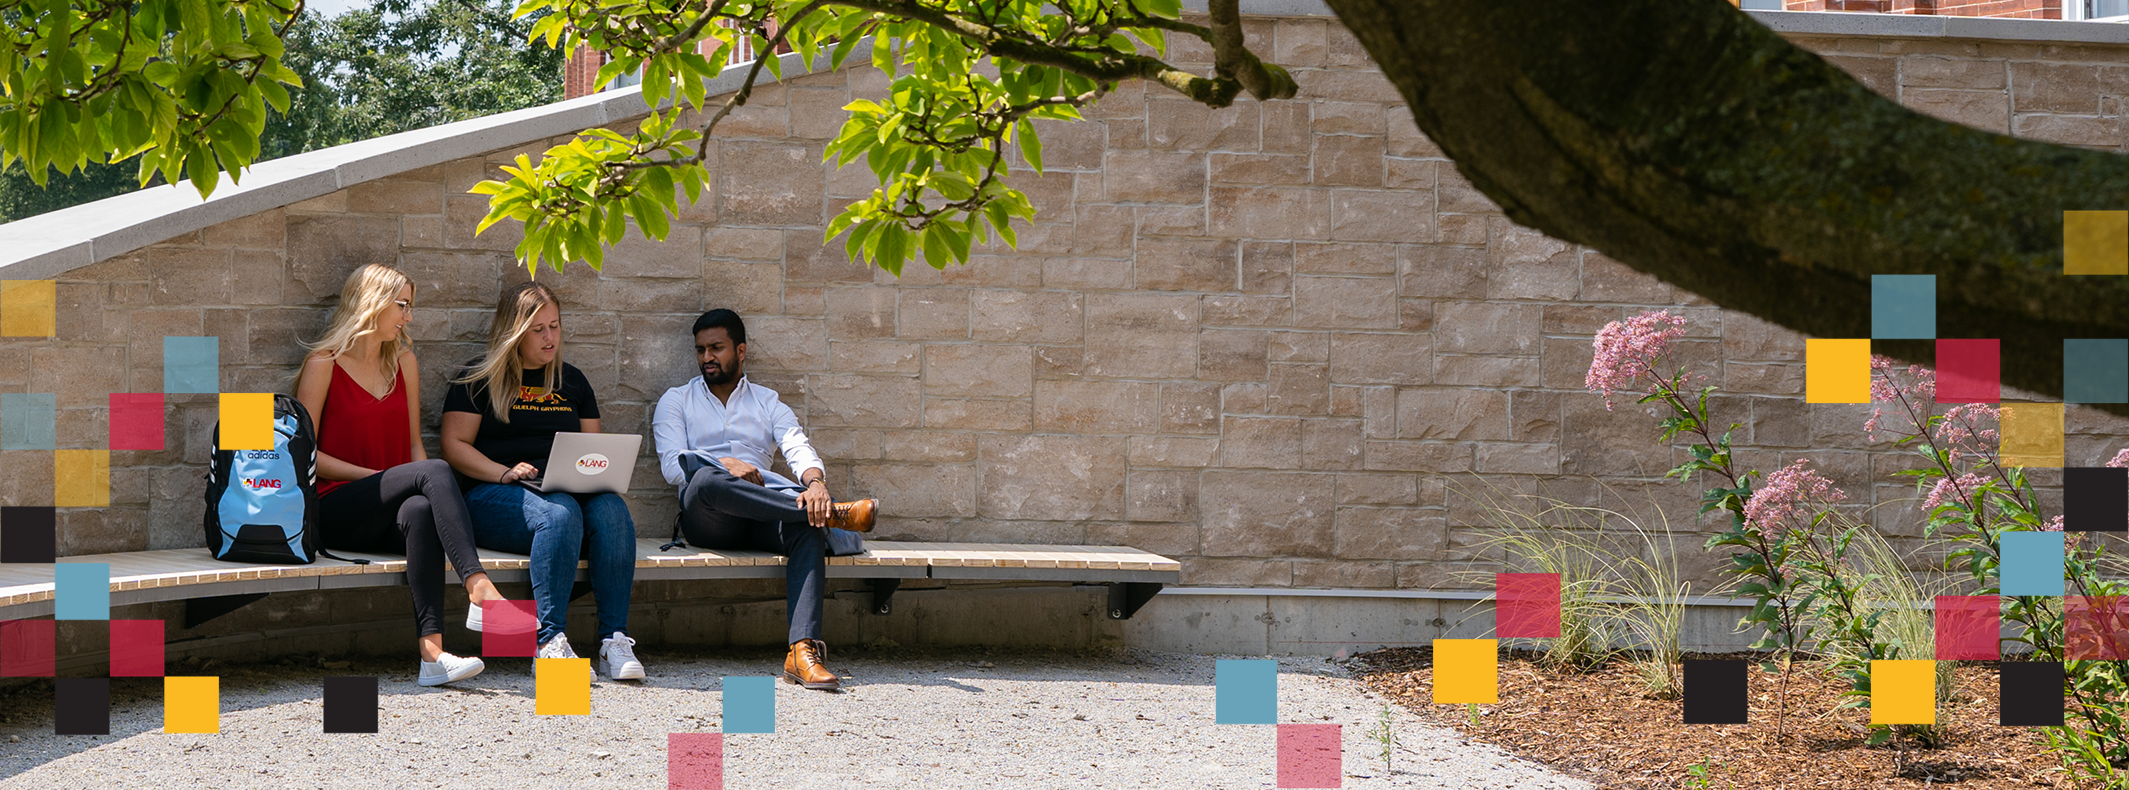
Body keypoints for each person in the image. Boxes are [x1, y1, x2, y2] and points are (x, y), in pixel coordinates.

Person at [651, 309, 877, 691]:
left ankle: (801, 652)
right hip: (710, 517)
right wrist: (726, 463)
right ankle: (833, 515)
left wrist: (816, 485)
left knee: (807, 524)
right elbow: (673, 467)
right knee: (704, 479)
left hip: (762, 512)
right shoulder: (676, 400)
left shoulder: (767, 401)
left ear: (741, 351)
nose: (707, 357)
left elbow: (796, 445)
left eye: (716, 348)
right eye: (701, 350)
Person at [297, 263, 500, 687]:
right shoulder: (323, 364)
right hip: (336, 507)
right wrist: (378, 477)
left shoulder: (404, 362)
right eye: (402, 305)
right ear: (372, 302)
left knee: (422, 509)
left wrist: (409, 479)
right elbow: (305, 454)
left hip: (388, 509)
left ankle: (433, 655)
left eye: (410, 306)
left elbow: (413, 447)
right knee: (433, 471)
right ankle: (478, 585)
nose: (409, 316)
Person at [440, 282, 642, 682]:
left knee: (613, 510)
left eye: (555, 326)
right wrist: (503, 472)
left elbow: (593, 450)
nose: (550, 337)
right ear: (514, 332)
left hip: (562, 491)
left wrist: (593, 473)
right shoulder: (479, 378)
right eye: (538, 330)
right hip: (495, 493)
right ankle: (549, 642)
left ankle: (613, 640)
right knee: (559, 513)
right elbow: (453, 446)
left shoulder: (573, 382)